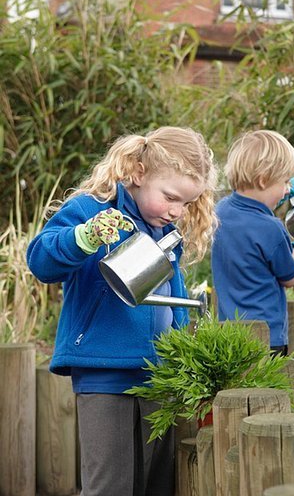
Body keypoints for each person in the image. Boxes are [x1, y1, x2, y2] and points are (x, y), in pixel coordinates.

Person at [27, 126, 217, 496]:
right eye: (171, 197)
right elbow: (41, 261)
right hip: (104, 372)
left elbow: (171, 294)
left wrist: (182, 351)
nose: (177, 211)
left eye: (187, 203)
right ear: (139, 173)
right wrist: (83, 238)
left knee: (155, 482)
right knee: (108, 485)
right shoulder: (92, 210)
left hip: (157, 377)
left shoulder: (164, 231)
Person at [211, 129, 294, 357]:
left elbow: (250, 221)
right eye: (285, 182)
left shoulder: (221, 211)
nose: (288, 188)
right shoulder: (272, 228)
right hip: (267, 337)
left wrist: (277, 197)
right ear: (262, 180)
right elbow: (290, 277)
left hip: (228, 332)